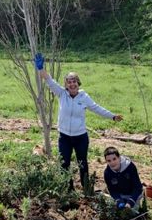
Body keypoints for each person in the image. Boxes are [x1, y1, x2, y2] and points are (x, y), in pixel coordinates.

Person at [34, 53, 123, 191]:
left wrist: (112, 116)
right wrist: (40, 68)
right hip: (64, 137)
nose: (72, 84)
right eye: (69, 82)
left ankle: (86, 187)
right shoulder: (61, 93)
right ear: (66, 85)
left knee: (82, 163)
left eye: (74, 81)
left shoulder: (84, 97)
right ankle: (68, 189)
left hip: (80, 137)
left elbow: (96, 108)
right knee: (64, 164)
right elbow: (48, 80)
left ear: (78, 83)